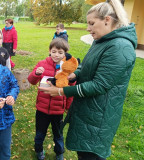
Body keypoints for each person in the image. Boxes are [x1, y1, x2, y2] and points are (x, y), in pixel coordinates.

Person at [39, 0, 137, 159]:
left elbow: (100, 85)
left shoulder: (120, 47)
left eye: (91, 23)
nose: (88, 28)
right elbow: (85, 65)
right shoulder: (102, 41)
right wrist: (74, 74)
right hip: (88, 112)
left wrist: (60, 91)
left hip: (98, 120)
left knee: (90, 155)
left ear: (107, 20)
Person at [28, 38, 77, 160]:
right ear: (50, 51)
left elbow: (71, 90)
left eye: (60, 52)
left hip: (58, 110)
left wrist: (67, 107)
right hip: (42, 109)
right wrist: (36, 74)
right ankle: (39, 150)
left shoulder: (67, 69)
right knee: (40, 133)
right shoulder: (42, 64)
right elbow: (31, 81)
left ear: (65, 54)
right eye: (54, 51)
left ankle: (59, 153)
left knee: (58, 134)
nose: (57, 55)